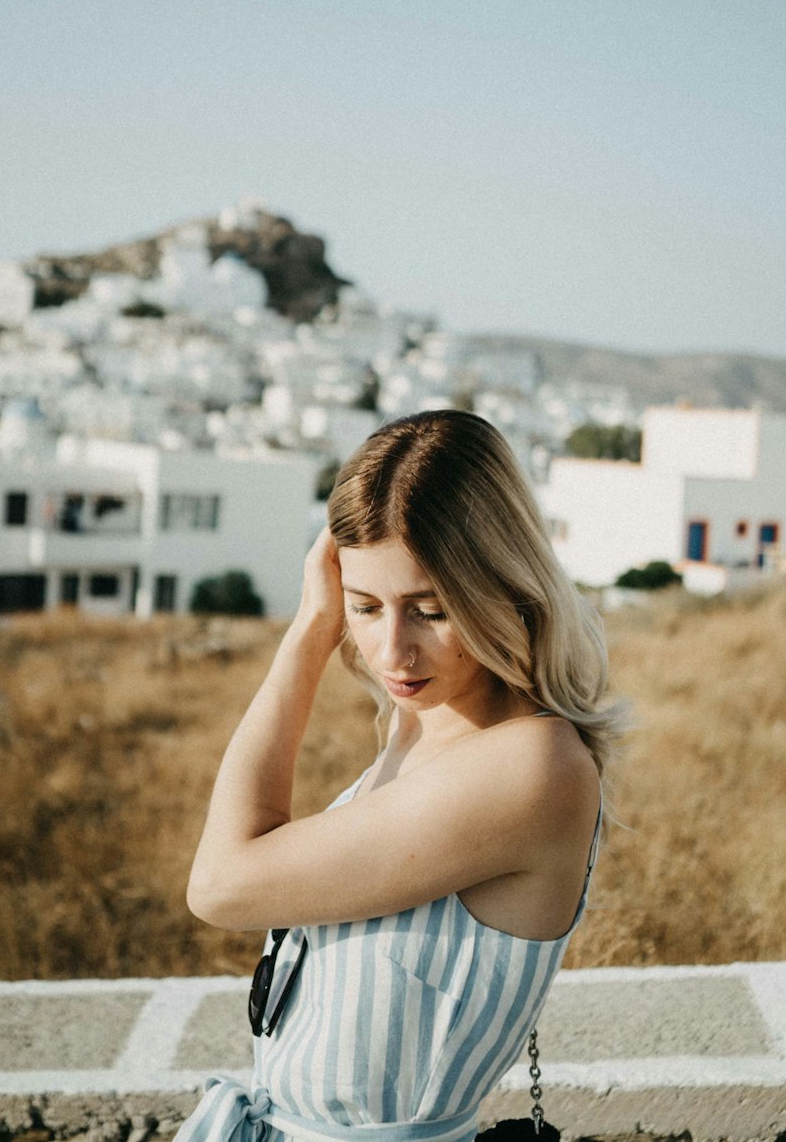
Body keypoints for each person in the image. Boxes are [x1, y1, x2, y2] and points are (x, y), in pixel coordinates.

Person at [175, 409, 628, 1142]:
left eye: (431, 610)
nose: (394, 652)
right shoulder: (423, 723)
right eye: (364, 606)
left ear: (503, 585)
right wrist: (327, 615)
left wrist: (310, 633)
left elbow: (222, 880)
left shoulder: (528, 765)